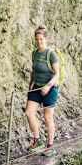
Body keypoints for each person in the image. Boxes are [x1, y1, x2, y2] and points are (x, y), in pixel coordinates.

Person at [25, 26, 60, 157]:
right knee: (29, 112)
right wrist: (30, 86)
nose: (39, 42)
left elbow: (57, 74)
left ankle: (50, 146)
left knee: (47, 117)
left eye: (41, 39)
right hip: (36, 87)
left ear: (46, 39)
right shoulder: (34, 53)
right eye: (37, 39)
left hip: (50, 88)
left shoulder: (51, 54)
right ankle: (37, 139)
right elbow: (34, 71)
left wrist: (48, 86)